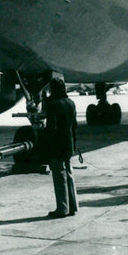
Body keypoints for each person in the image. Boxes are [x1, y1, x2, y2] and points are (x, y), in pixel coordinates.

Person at [44, 75, 79, 218]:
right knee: (69, 174)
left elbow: (51, 128)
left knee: (59, 176)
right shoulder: (71, 102)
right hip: (68, 143)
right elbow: (74, 126)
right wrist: (74, 143)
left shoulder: (53, 105)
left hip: (57, 144)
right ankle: (73, 206)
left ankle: (62, 208)